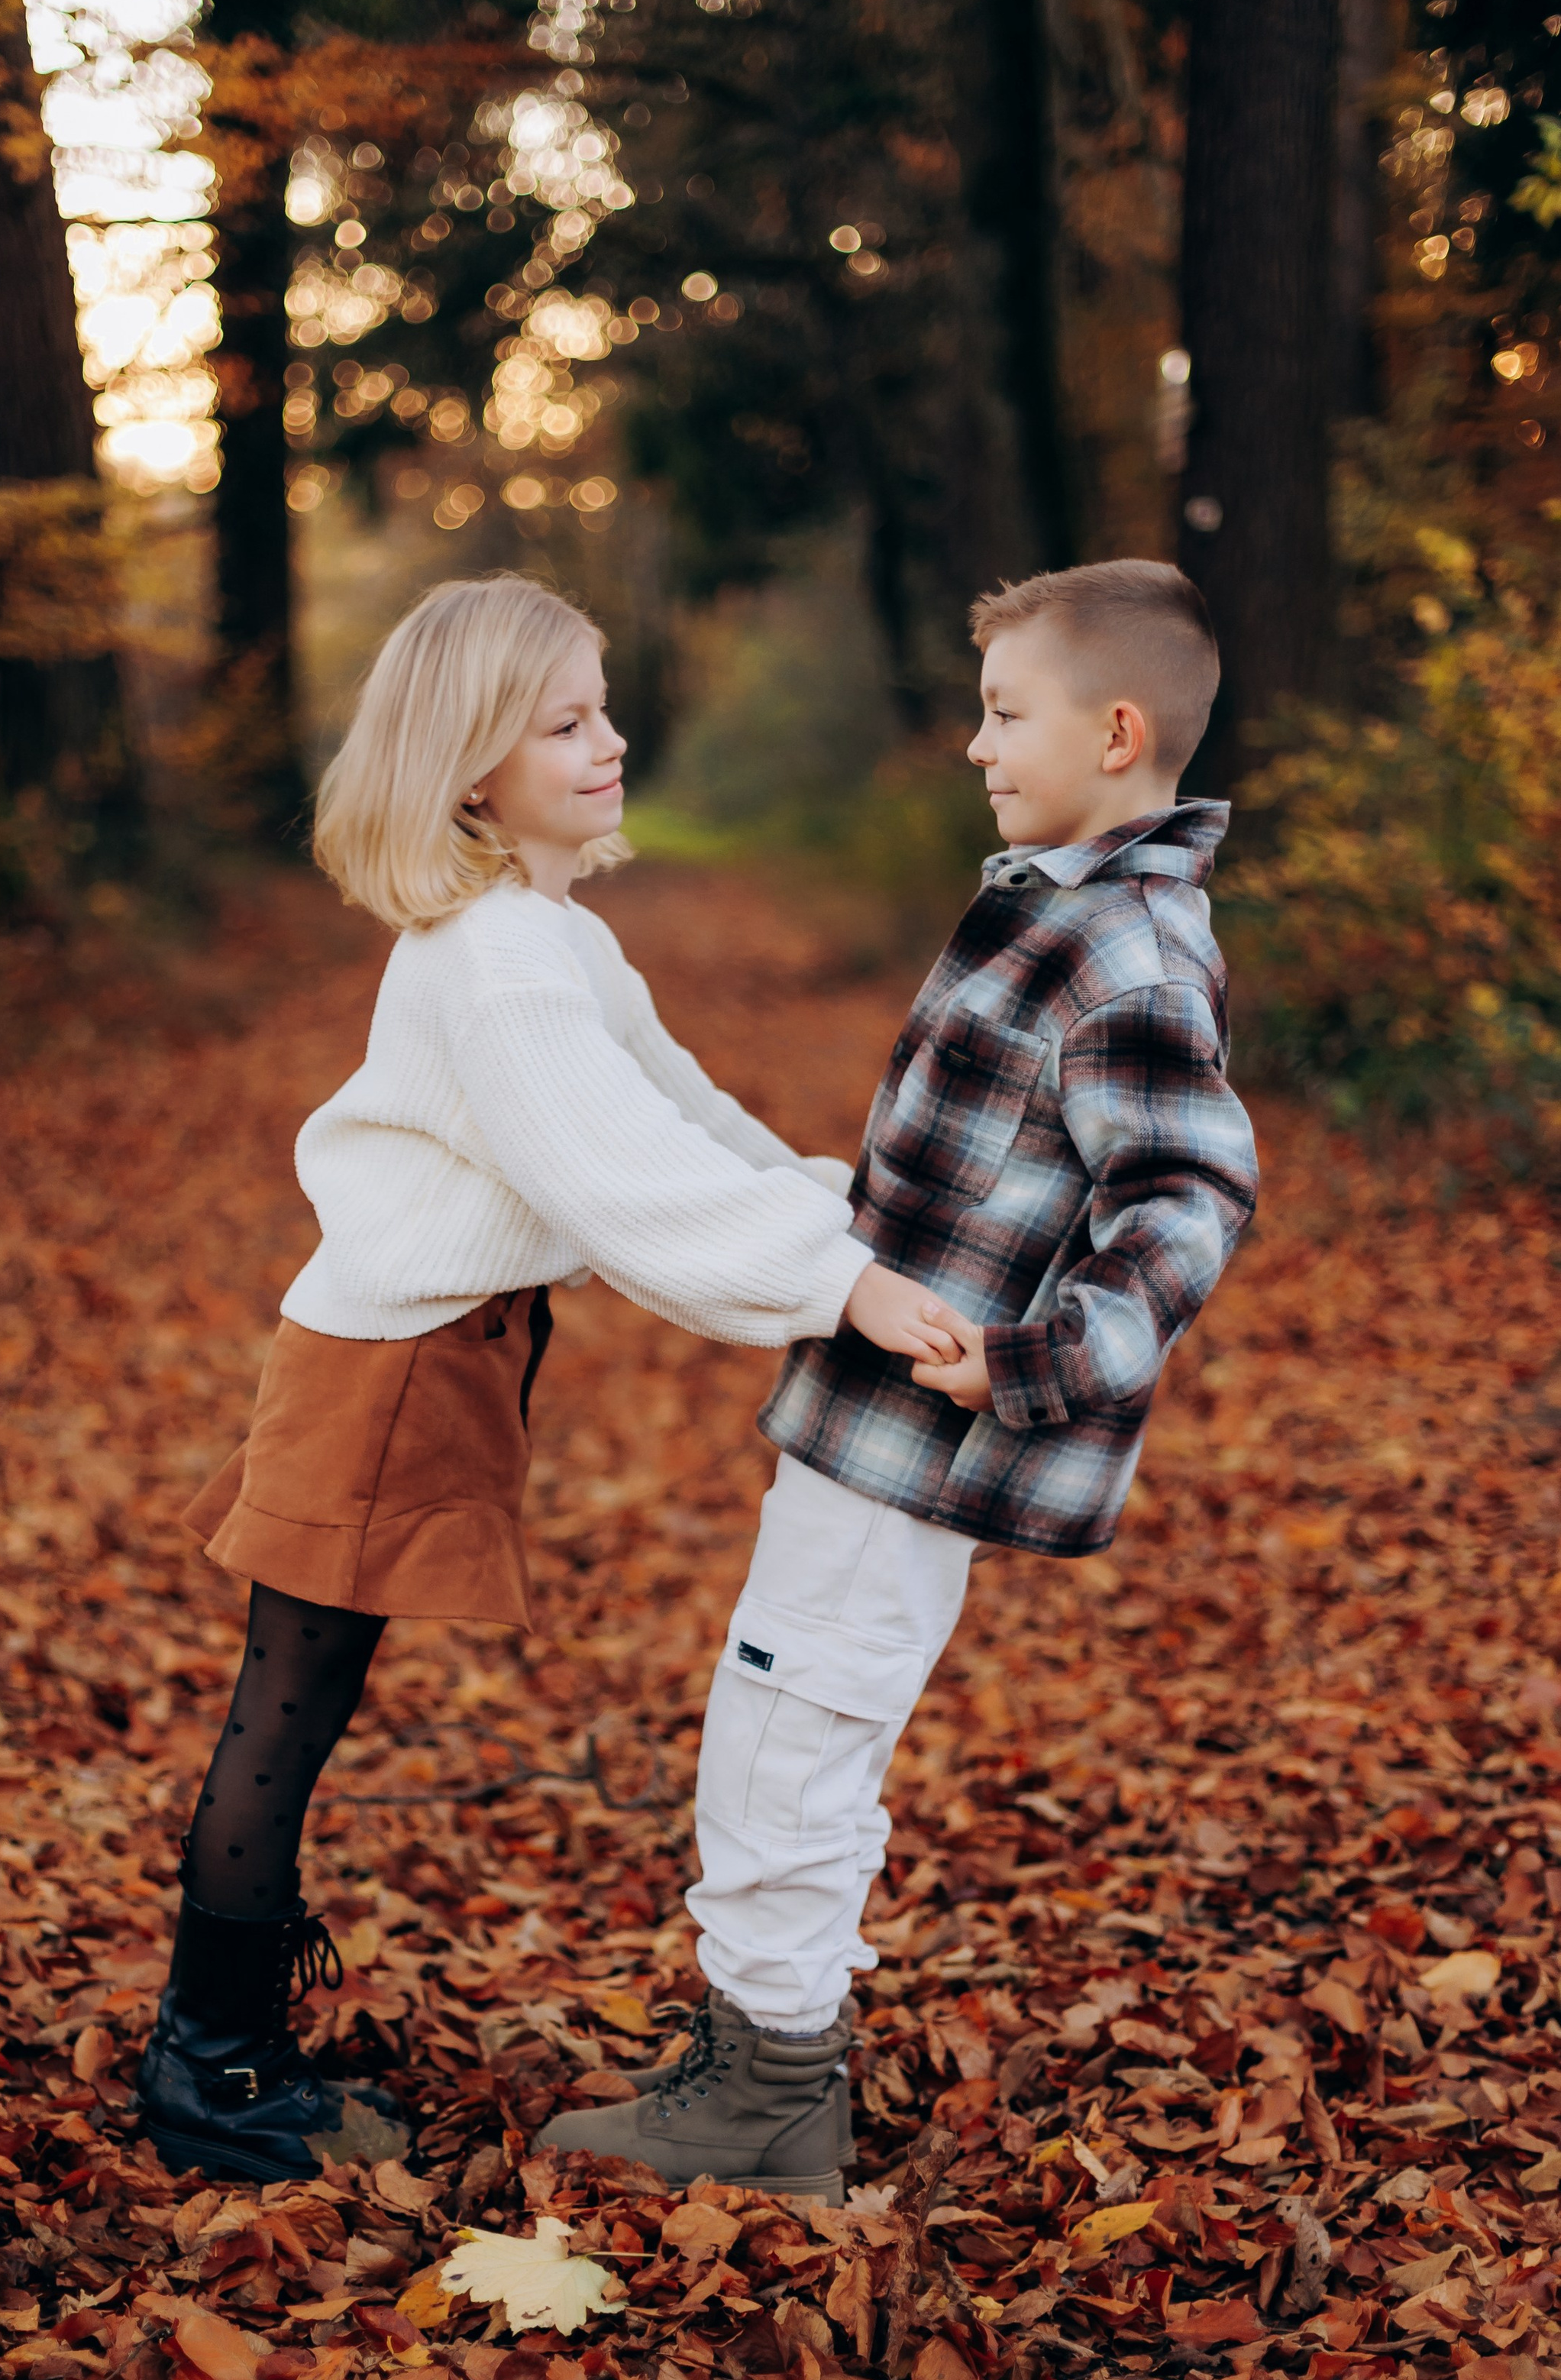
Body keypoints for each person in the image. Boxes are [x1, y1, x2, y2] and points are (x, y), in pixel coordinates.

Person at [136, 572, 958, 2186]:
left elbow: (678, 1118)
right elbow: (616, 1188)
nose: (609, 740)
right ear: (466, 768)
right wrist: (838, 1285)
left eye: (602, 710)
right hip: (384, 1371)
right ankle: (213, 2067)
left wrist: (839, 1220)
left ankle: (219, 2046)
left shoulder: (548, 939)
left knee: (297, 1705)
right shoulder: (503, 960)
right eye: (564, 721)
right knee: (283, 1715)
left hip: (426, 1357)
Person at [539, 558, 1261, 2204]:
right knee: (778, 1711)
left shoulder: (1127, 952)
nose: (973, 744)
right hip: (868, 1417)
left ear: (1120, 729)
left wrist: (1035, 1362)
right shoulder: (1050, 906)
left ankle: (772, 2094)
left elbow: (1187, 1194)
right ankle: (755, 2051)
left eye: (1005, 713)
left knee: (795, 1729)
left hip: (923, 1438)